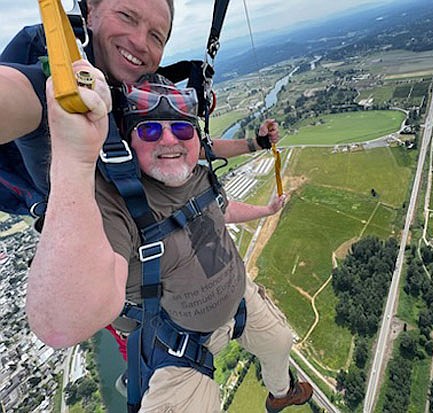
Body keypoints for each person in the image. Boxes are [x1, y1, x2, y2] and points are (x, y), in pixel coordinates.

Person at [26, 61, 312, 412]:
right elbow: (60, 323)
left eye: (180, 128)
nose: (169, 140)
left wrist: (265, 210)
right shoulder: (114, 204)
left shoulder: (198, 176)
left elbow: (220, 212)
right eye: (149, 131)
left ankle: (281, 394)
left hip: (239, 301)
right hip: (175, 347)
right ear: (128, 138)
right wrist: (74, 161)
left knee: (279, 342)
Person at [0, 0, 275, 201]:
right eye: (127, 16)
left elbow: (181, 146)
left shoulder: (142, 97)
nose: (141, 42)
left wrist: (256, 143)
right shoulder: (54, 84)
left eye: (156, 36)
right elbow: (12, 95)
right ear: (90, 12)